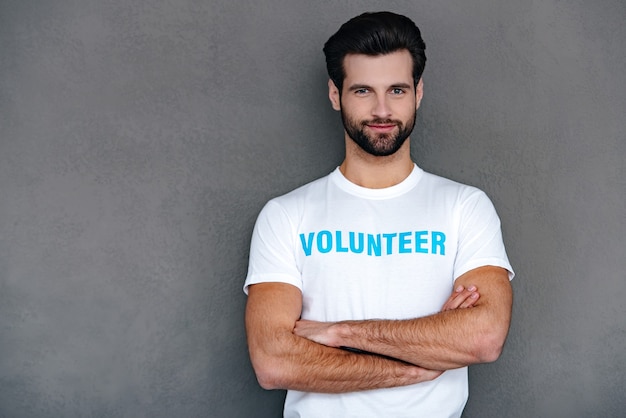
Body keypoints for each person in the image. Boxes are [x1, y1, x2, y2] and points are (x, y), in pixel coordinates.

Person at [244, 11, 514, 418]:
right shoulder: (286, 215)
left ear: (418, 93)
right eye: (363, 91)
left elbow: (484, 337)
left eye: (398, 90)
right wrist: (416, 366)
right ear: (336, 95)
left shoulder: (464, 207)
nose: (382, 109)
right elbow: (273, 361)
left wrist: (340, 332)